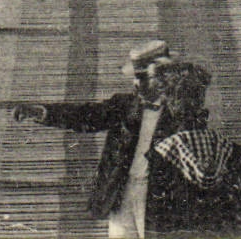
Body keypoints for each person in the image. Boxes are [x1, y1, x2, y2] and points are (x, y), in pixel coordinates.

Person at [12, 39, 177, 237]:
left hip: (160, 195)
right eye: (135, 77)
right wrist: (44, 113)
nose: (135, 84)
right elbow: (86, 115)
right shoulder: (124, 105)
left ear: (162, 80)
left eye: (143, 78)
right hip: (123, 189)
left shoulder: (181, 112)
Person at [144, 60, 241, 237]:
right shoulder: (225, 148)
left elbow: (157, 215)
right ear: (201, 100)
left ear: (170, 104)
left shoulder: (164, 152)